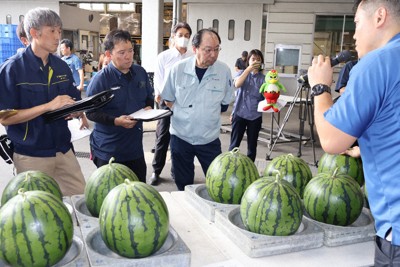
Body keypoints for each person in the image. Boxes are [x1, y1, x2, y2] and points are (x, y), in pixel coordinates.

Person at [307, 1, 400, 265]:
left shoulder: (375, 64)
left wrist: (320, 87)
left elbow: (331, 140)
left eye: (357, 23)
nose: (354, 34)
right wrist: (370, 148)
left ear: (380, 16)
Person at [0, 7, 86, 196]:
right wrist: (48, 106)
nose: (58, 36)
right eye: (52, 30)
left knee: (80, 199)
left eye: (59, 31)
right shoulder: (12, 69)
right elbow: (5, 117)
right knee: (38, 209)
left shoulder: (62, 67)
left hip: (63, 150)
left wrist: (76, 110)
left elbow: (74, 99)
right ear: (33, 33)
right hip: (31, 155)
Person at [161, 28, 234, 191]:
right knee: (183, 183)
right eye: (208, 50)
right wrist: (186, 114)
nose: (214, 54)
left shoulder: (223, 71)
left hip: (209, 139)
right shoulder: (178, 69)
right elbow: (168, 99)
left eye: (217, 49)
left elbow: (224, 103)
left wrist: (204, 113)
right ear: (195, 49)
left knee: (217, 184)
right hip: (181, 137)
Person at [86, 29, 154, 183]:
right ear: (109, 55)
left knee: (138, 192)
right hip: (108, 150)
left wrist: (148, 109)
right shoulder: (101, 80)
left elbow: (149, 97)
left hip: (134, 149)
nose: (128, 56)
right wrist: (116, 121)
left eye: (130, 50)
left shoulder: (140, 73)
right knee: (110, 196)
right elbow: (90, 113)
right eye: (122, 52)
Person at [149, 22, 193, 186]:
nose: (183, 39)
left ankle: (177, 170)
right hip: (167, 104)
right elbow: (159, 82)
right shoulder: (164, 57)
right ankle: (156, 170)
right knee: (163, 136)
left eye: (187, 36)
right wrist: (166, 101)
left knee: (181, 137)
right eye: (180, 35)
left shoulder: (191, 57)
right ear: (173, 37)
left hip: (185, 104)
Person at [228, 49, 265, 162]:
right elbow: (237, 84)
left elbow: (266, 97)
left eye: (258, 60)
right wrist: (248, 70)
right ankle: (230, 165)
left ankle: (250, 168)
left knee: (252, 146)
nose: (255, 62)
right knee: (234, 145)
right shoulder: (241, 73)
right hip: (239, 114)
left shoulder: (263, 79)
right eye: (253, 59)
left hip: (255, 116)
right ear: (248, 60)